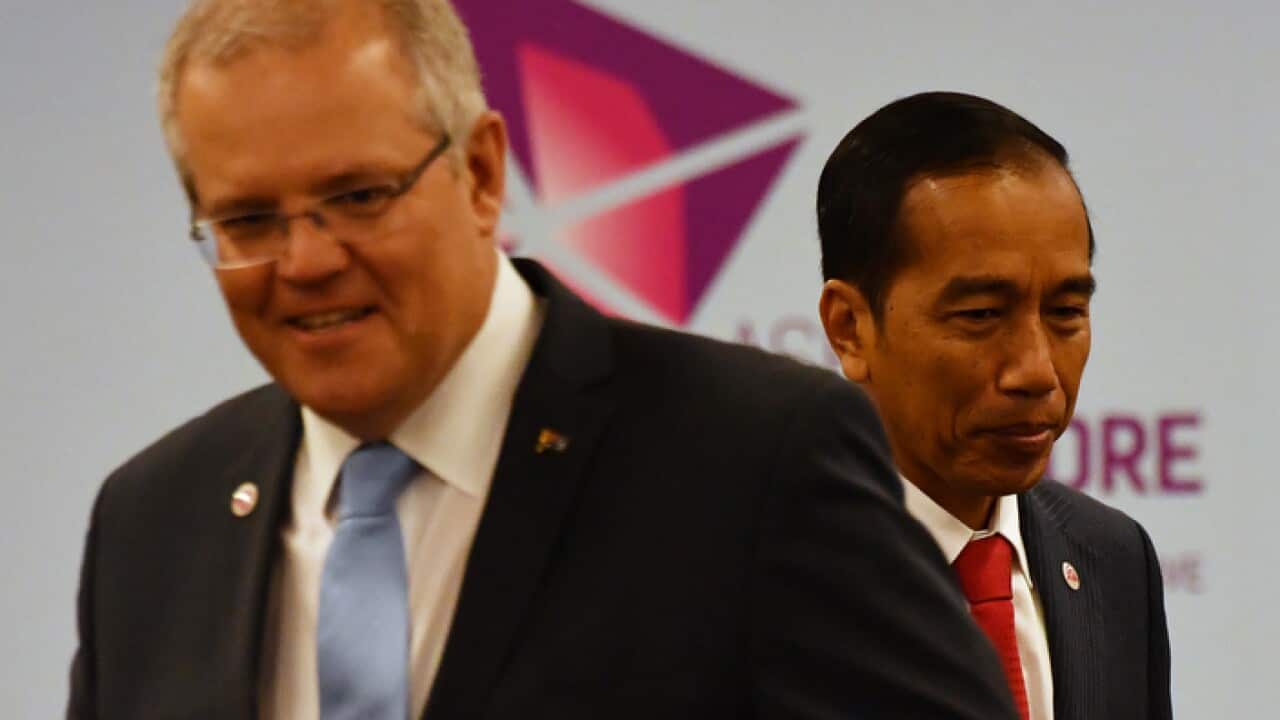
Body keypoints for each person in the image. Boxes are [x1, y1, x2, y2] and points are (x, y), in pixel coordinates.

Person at [66, 4, 1020, 719]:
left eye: (359, 196)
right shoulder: (154, 520)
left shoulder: (755, 457)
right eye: (248, 220)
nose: (307, 261)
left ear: (482, 174)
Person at [816, 91, 1173, 720]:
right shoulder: (740, 582)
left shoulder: (1113, 559)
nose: (1036, 371)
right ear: (850, 328)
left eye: (1066, 312)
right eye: (981, 315)